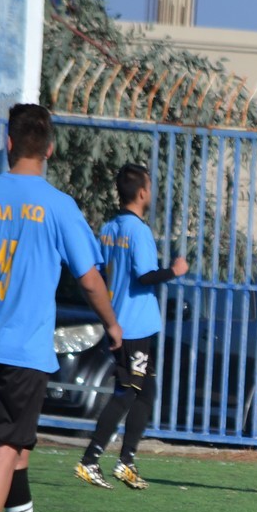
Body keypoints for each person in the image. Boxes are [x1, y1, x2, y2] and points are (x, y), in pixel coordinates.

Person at [0, 103, 122, 512]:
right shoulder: (58, 206)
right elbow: (89, 278)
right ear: (50, 149)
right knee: (5, 449)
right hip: (24, 349)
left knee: (15, 452)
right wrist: (112, 324)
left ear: (9, 143)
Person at [75, 164, 189, 490]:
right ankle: (90, 460)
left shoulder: (109, 228)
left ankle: (126, 461)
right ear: (141, 193)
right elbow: (145, 275)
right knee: (126, 393)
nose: (151, 193)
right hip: (134, 327)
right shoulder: (138, 231)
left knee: (145, 393)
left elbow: (99, 271)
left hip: (121, 320)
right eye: (149, 187)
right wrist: (175, 270)